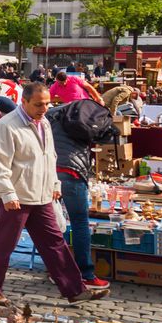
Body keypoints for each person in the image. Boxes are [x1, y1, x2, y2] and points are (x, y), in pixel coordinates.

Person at [0, 83, 107, 303]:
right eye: (39, 104)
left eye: (47, 103)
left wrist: (54, 184)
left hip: (41, 195)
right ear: (24, 102)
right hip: (18, 196)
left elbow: (50, 157)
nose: (44, 108)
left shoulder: (45, 123)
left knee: (55, 242)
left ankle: (75, 290)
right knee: (3, 244)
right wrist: (7, 193)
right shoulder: (7, 126)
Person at [47, 100, 114, 289]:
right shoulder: (87, 114)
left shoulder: (49, 113)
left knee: (51, 223)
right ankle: (85, 274)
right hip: (73, 172)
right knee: (79, 222)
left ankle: (58, 271)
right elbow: (105, 137)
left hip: (50, 170)